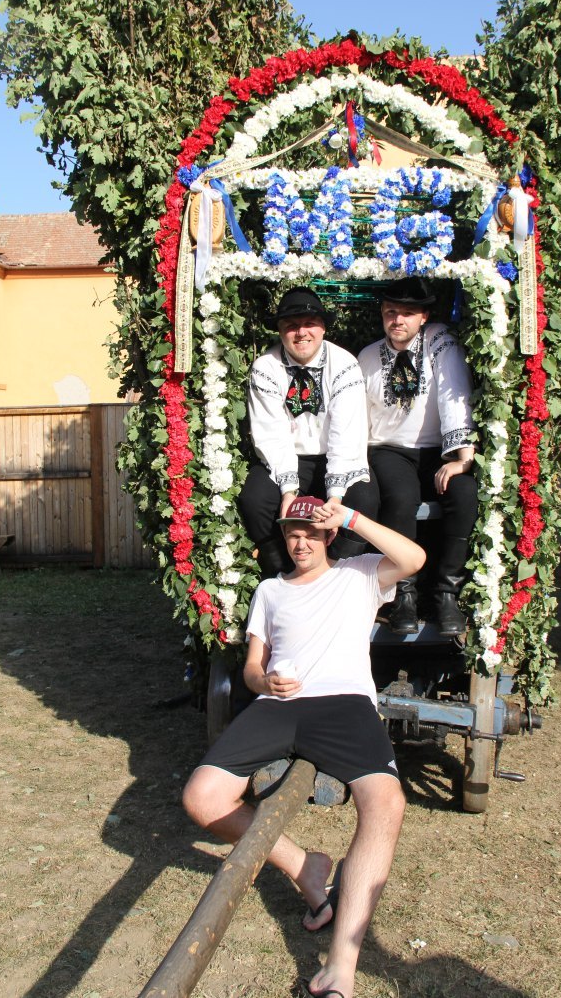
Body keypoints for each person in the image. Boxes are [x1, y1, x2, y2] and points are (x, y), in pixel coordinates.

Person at [183, 496, 426, 998]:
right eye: (293, 533)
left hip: (344, 704)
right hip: (279, 705)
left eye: (311, 534)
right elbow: (252, 668)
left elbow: (414, 559)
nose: (301, 543)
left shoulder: (360, 575)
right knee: (201, 798)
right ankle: (304, 867)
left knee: (387, 803)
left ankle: (341, 964)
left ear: (328, 536)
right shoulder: (270, 590)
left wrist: (351, 518)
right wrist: (263, 682)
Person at [357, 277, 478, 636]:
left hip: (437, 451)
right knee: (399, 495)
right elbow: (358, 415)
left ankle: (446, 593)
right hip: (389, 449)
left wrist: (462, 458)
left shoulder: (440, 342)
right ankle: (403, 594)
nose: (398, 320)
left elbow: (455, 394)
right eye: (390, 312)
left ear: (424, 316)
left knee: (465, 493)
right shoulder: (367, 357)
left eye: (408, 313)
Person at [238, 286, 377, 577]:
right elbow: (271, 433)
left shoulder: (345, 364)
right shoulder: (265, 368)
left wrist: (335, 497)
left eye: (309, 323)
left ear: (323, 327)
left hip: (338, 457)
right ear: (280, 331)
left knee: (364, 500)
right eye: (291, 325)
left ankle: (337, 577)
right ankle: (283, 575)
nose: (301, 332)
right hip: (287, 459)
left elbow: (345, 434)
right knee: (255, 500)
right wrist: (288, 492)